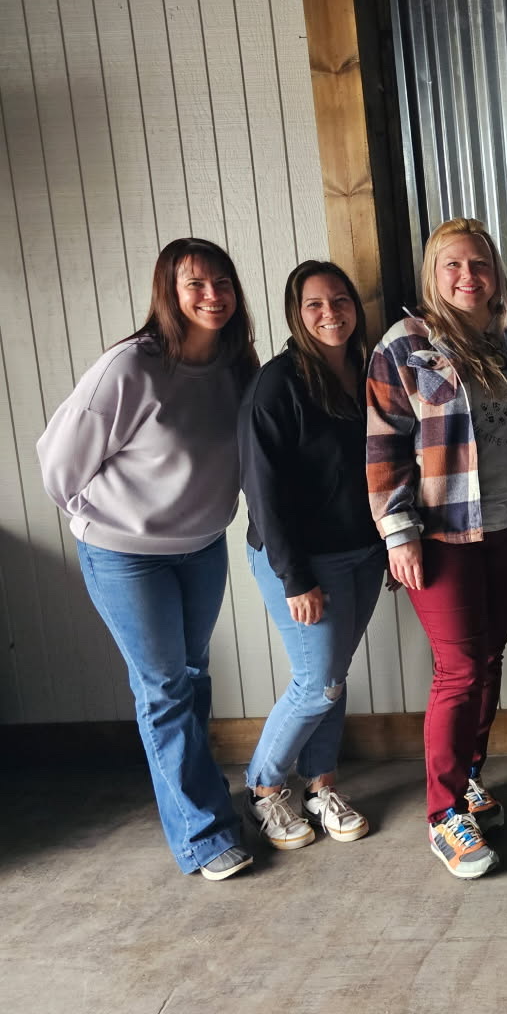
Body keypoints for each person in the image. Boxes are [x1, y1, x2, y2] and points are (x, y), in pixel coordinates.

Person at [37, 238, 259, 880]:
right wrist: (107, 517)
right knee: (163, 689)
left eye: (223, 282)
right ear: (169, 292)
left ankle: (205, 803)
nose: (213, 296)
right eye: (196, 285)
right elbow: (59, 464)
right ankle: (204, 836)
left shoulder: (236, 365)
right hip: (124, 556)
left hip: (201, 548)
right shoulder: (129, 367)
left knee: (191, 677)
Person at [366, 218, 507, 878]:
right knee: (458, 669)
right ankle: (443, 815)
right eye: (452, 265)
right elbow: (383, 448)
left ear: (495, 271)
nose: (467, 276)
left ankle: (471, 778)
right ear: (434, 274)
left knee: (487, 659)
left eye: (479, 263)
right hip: (441, 535)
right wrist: (398, 533)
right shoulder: (405, 346)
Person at [238, 261, 385, 851]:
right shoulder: (277, 385)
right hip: (301, 562)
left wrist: (391, 544)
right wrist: (295, 578)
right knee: (318, 682)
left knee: (333, 676)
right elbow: (263, 493)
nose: (331, 313)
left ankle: (321, 787)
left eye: (340, 300)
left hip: (363, 554)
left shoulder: (370, 370)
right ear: (296, 315)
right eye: (315, 304)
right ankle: (264, 787)